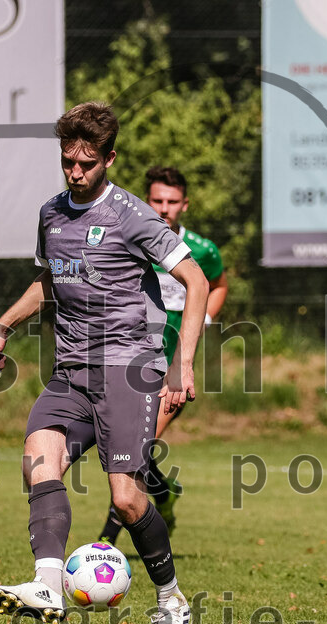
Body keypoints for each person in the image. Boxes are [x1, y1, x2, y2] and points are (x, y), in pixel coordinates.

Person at [0, 102, 209, 624]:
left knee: (127, 498)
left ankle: (171, 599)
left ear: (110, 158)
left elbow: (195, 281)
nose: (75, 173)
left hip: (128, 369)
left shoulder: (133, 216)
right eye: (67, 162)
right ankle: (46, 584)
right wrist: (4, 324)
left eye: (86, 163)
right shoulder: (51, 213)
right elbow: (49, 281)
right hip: (71, 370)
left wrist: (183, 365)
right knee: (38, 457)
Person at [98, 166, 228, 543]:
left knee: (134, 450)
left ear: (184, 205)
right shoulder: (130, 241)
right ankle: (164, 493)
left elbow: (217, 285)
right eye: (157, 200)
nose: (165, 208)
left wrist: (201, 321)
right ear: (146, 200)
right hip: (127, 362)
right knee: (121, 447)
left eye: (172, 202)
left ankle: (106, 542)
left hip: (170, 369)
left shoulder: (202, 250)